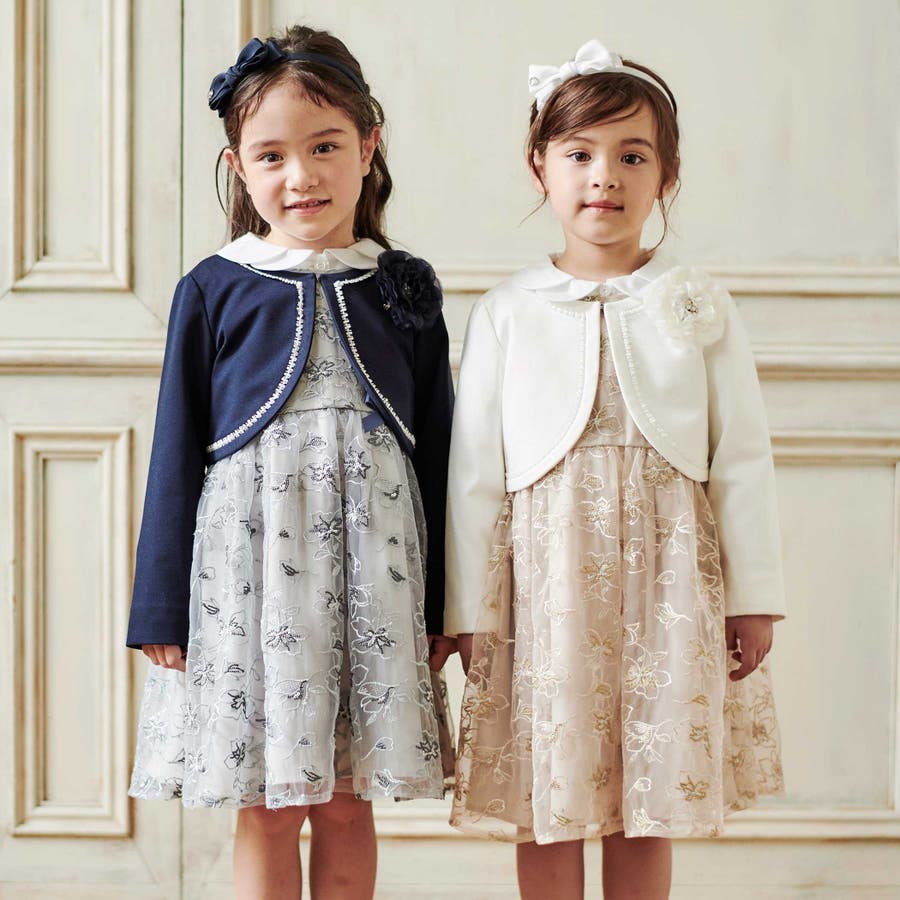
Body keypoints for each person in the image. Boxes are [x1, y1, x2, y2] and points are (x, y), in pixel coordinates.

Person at [445, 39, 785, 900]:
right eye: (580, 154)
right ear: (540, 167)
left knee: (648, 796)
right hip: (546, 589)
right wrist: (466, 613)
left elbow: (741, 456)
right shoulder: (506, 310)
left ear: (667, 173)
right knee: (548, 792)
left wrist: (753, 595)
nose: (605, 176)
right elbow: (472, 475)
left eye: (633, 156)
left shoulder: (698, 301)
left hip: (672, 582)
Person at [125, 25, 455, 899]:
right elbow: (173, 454)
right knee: (269, 808)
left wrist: (447, 604)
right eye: (272, 156)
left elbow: (440, 457)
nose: (301, 175)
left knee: (347, 801)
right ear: (239, 168)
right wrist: (159, 605)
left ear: (368, 148)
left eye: (325, 147)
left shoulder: (403, 285)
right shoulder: (214, 286)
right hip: (251, 581)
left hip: (374, 581)